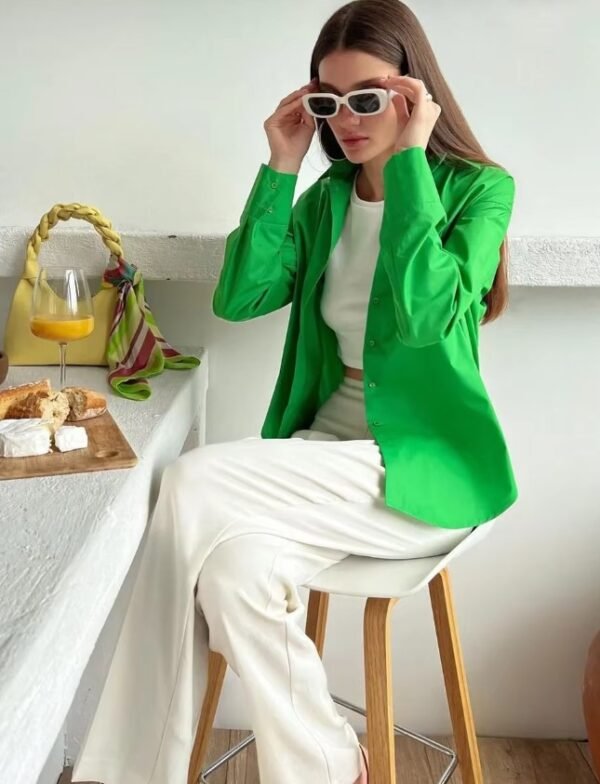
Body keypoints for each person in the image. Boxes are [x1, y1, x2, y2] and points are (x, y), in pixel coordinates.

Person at [72, 1, 518, 782]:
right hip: (323, 459)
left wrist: (410, 164)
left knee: (189, 478)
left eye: (368, 98)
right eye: (327, 101)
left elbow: (424, 318)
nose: (344, 121)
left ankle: (130, 772)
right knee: (233, 574)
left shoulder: (480, 189)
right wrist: (281, 165)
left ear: (415, 96)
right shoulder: (326, 201)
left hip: (415, 469)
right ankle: (327, 764)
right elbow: (241, 296)